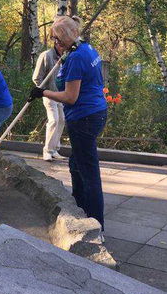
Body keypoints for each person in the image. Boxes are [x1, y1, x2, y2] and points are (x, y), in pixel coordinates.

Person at [28, 16, 108, 235]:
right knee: (76, 165)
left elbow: (70, 97)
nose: (55, 43)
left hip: (84, 118)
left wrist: (42, 93)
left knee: (89, 173)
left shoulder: (75, 58)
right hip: (97, 112)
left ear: (62, 38)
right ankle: (78, 207)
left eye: (56, 38)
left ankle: (95, 224)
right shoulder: (87, 49)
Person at [33, 40, 65, 161]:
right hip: (48, 93)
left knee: (62, 120)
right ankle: (47, 150)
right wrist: (43, 91)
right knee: (54, 120)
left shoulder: (65, 56)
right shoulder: (46, 55)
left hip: (61, 94)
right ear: (57, 44)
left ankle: (55, 148)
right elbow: (37, 77)